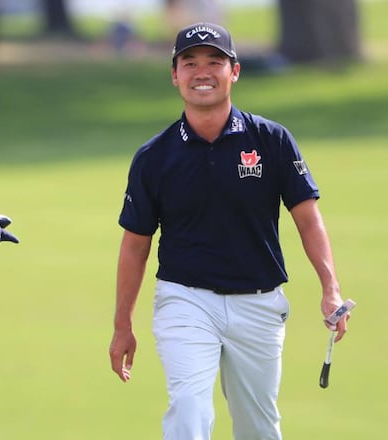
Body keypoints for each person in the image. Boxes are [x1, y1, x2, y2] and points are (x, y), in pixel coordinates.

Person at [108, 23, 349, 440]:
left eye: (214, 62)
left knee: (258, 428)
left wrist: (330, 287)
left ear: (234, 71)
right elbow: (135, 245)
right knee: (189, 411)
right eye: (190, 63)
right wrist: (122, 325)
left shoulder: (271, 140)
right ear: (175, 75)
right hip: (185, 300)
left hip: (259, 303)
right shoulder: (154, 156)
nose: (203, 72)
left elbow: (307, 218)